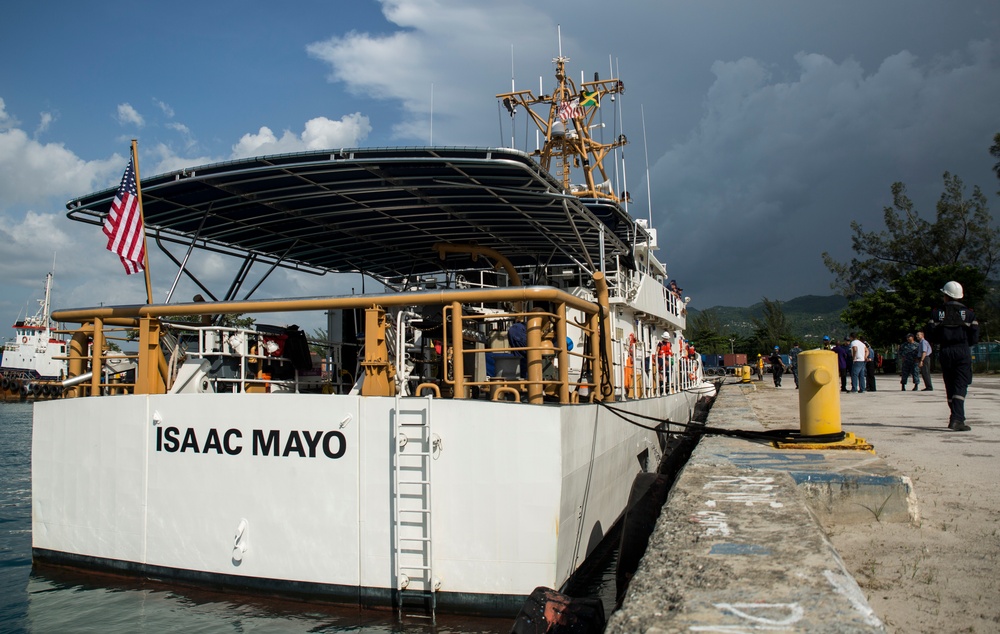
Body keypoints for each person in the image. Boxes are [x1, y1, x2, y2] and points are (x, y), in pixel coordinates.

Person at [927, 281, 980, 432]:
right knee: (961, 384)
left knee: (950, 384)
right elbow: (974, 337)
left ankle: (956, 417)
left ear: (946, 296)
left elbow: (930, 334)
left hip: (945, 351)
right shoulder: (969, 314)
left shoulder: (937, 313)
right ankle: (957, 419)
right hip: (962, 350)